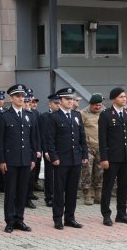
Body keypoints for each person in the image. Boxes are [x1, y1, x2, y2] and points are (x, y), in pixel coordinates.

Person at [0, 84, 38, 233]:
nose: (21, 98)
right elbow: (0, 140)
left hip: (25, 159)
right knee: (11, 192)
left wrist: (33, 158)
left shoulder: (30, 115)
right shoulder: (4, 116)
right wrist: (2, 160)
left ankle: (20, 219)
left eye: (22, 96)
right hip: (10, 161)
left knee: (22, 191)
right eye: (18, 96)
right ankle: (9, 220)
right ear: (12, 98)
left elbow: (33, 139)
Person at [44, 88, 88, 230]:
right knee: (59, 191)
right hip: (61, 160)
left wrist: (84, 154)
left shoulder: (76, 115)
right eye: (67, 99)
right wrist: (53, 157)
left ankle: (70, 218)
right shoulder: (53, 117)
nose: (70, 101)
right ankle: (58, 218)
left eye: (71, 99)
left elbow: (82, 137)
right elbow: (49, 140)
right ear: (60, 101)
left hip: (75, 159)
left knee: (72, 191)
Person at [99, 87, 127, 226]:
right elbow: (102, 138)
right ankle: (106, 214)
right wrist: (104, 158)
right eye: (121, 97)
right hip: (112, 158)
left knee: (124, 187)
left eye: (124, 97)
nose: (124, 99)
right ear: (114, 98)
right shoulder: (106, 114)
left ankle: (122, 214)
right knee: (108, 187)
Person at [79, 93, 104, 206]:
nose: (98, 107)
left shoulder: (104, 113)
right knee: (87, 171)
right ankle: (87, 194)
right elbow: (79, 131)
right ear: (91, 104)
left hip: (101, 147)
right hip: (88, 148)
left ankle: (98, 194)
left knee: (99, 171)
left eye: (100, 105)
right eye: (96, 105)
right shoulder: (83, 114)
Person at [40, 93, 61, 207]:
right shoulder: (45, 116)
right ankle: (49, 197)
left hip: (61, 149)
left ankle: (58, 195)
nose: (58, 105)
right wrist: (46, 151)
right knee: (50, 175)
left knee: (59, 175)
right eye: (55, 103)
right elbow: (43, 135)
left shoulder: (61, 115)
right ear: (50, 104)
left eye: (59, 103)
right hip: (49, 149)